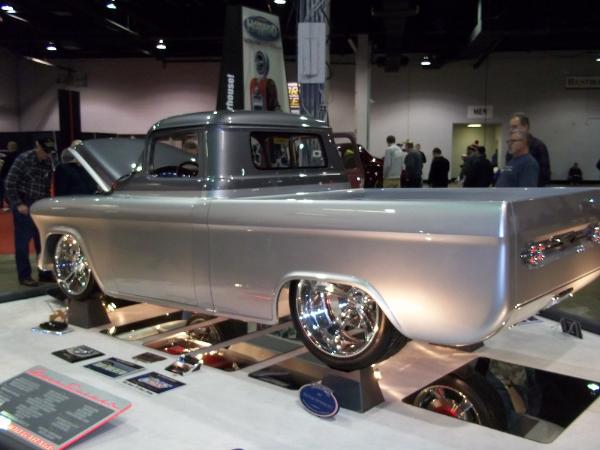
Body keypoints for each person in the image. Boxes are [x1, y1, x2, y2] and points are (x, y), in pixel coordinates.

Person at [4, 137, 55, 286]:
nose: (46, 155)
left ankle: (44, 273)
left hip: (39, 205)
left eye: (49, 152)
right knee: (23, 242)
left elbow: (46, 186)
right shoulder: (23, 159)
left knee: (42, 241)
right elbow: (9, 183)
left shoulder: (47, 161)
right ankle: (24, 275)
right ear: (37, 146)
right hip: (24, 204)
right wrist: (19, 204)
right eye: (45, 151)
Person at [509, 113, 550, 186]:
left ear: (525, 127)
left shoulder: (538, 147)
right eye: (510, 127)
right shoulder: (511, 149)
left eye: (514, 127)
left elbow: (544, 175)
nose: (511, 130)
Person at [0, 141, 18, 209]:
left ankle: (3, 204)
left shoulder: (7, 158)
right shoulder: (19, 156)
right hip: (17, 178)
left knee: (4, 191)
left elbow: (3, 168)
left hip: (7, 177)